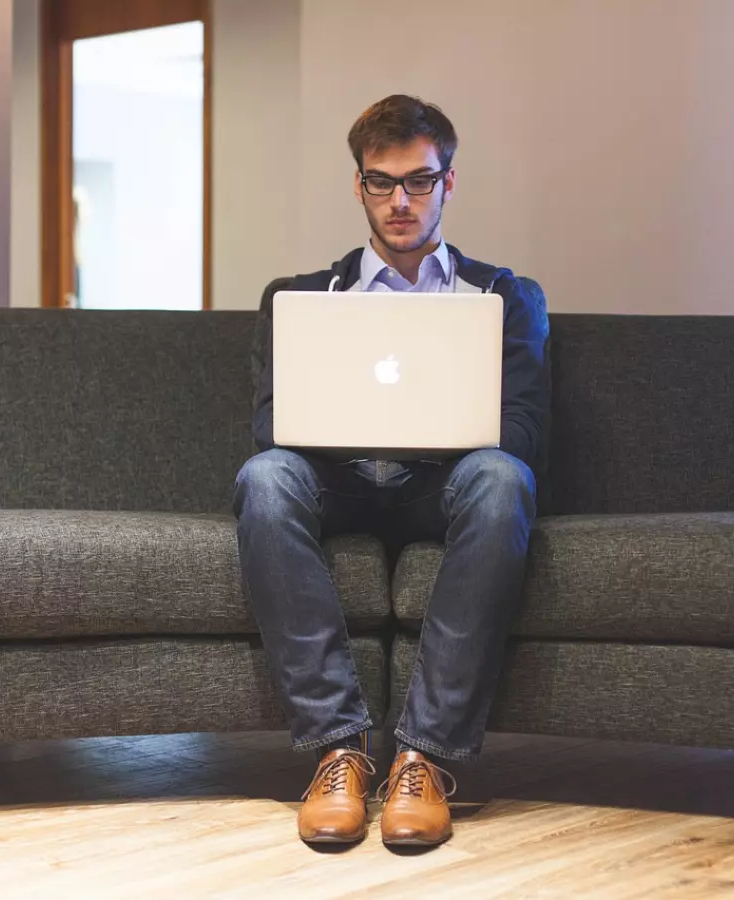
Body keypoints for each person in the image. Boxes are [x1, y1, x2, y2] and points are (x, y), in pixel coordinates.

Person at [233, 94, 550, 848]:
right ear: (359, 185)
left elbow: (526, 434)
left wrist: (431, 433)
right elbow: (269, 426)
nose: (400, 200)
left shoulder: (505, 297)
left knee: (504, 479)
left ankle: (423, 759)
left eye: (419, 180)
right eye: (382, 181)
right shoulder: (299, 299)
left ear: (450, 182)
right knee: (265, 478)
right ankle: (338, 752)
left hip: (445, 489)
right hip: (339, 480)